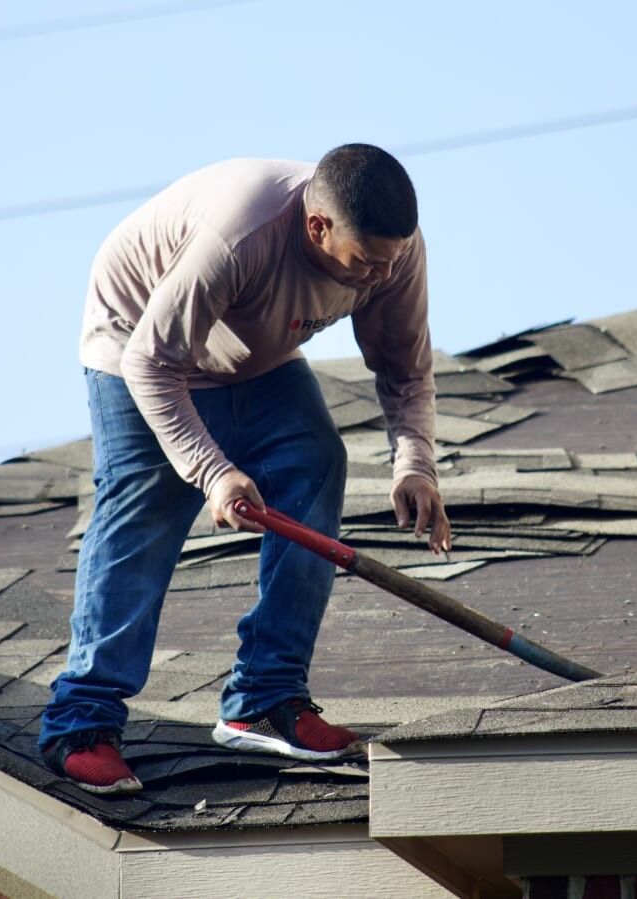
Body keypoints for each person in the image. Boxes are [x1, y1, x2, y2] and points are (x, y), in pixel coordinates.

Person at [38, 144, 452, 795]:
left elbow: (405, 368)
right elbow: (153, 362)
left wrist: (416, 465)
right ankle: (80, 723)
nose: (378, 276)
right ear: (318, 227)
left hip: (250, 354)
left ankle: (265, 697)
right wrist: (212, 470)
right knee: (145, 505)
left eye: (390, 260)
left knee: (314, 460)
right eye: (366, 262)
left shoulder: (392, 253)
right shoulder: (240, 234)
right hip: (137, 344)